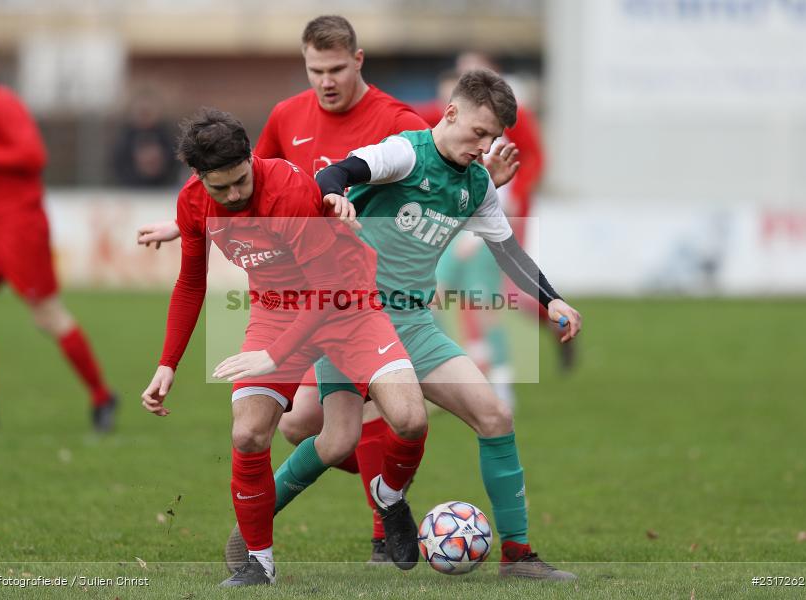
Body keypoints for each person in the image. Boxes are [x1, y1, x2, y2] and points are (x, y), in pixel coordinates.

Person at [136, 14, 520, 565]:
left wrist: (471, 186)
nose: (326, 80)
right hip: (297, 293)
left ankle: (382, 526)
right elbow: (228, 185)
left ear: (357, 61)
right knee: (305, 429)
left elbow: (429, 186)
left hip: (363, 292)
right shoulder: (283, 119)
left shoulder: (397, 120)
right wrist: (187, 224)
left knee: (391, 418)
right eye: (315, 69)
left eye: (336, 67)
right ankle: (278, 535)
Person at [229, 69, 583, 581]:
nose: (484, 147)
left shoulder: (477, 183)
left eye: (493, 139)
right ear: (452, 113)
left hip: (415, 323)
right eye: (478, 133)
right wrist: (336, 199)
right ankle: (250, 530)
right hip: (352, 316)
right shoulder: (404, 153)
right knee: (332, 441)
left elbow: (506, 249)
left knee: (495, 417)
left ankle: (519, 557)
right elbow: (334, 175)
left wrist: (551, 300)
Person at [140, 109, 429, 586]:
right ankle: (260, 564)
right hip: (275, 312)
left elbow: (324, 290)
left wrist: (275, 357)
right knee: (248, 434)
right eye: (221, 188)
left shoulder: (290, 189)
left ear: (252, 158)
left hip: (345, 303)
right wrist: (167, 364)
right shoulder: (193, 202)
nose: (233, 195)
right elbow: (191, 282)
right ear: (198, 178)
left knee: (411, 420)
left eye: (240, 181)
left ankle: (389, 496)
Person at [0, 39, 116, 432]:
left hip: (21, 226)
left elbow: (34, 156)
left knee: (47, 315)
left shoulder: (5, 103)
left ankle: (102, 396)